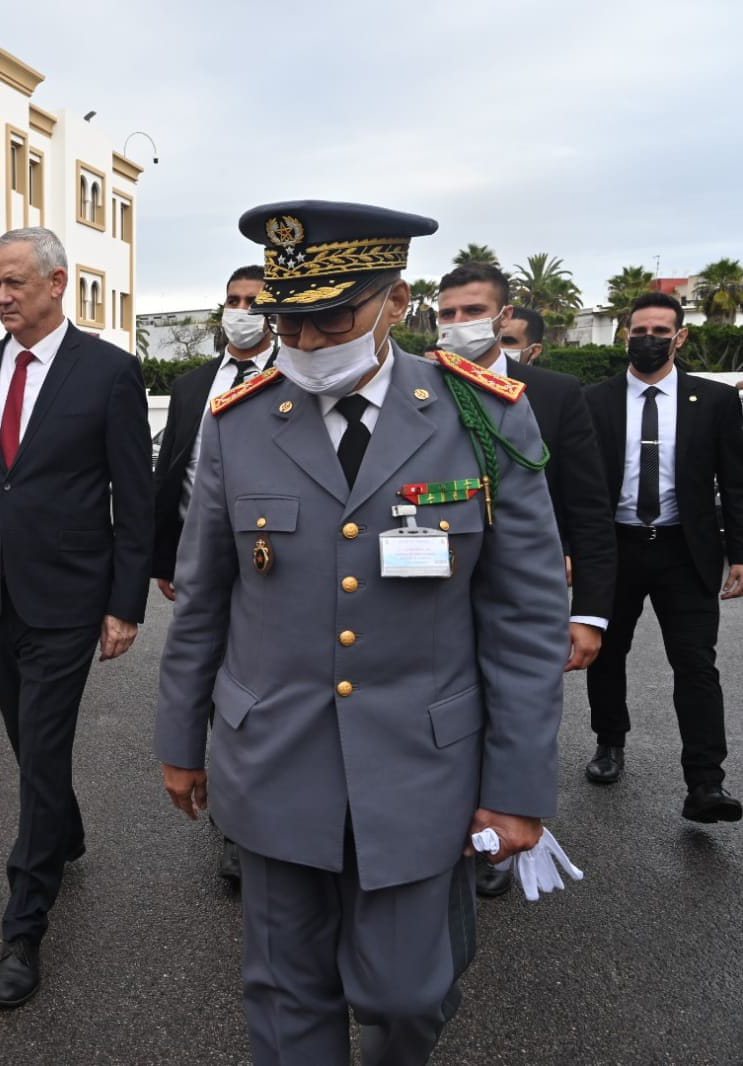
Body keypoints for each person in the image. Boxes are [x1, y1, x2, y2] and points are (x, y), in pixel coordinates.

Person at [156, 201, 566, 1065]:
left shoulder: (480, 416)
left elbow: (524, 618)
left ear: (396, 300)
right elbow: (201, 600)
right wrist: (178, 742)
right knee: (283, 992)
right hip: (271, 751)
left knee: (406, 996)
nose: (304, 344)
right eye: (287, 321)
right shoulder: (236, 422)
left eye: (329, 318)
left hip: (421, 763)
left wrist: (518, 788)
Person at [0, 226, 152, 1010]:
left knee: (42, 751)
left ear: (58, 283)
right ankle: (68, 831)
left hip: (68, 598)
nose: (2, 295)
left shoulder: (110, 374)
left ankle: (24, 924)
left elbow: (134, 497)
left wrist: (126, 603)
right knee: (28, 742)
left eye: (17, 281)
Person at [435, 266, 617, 899]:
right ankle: (468, 830)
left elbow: (590, 509)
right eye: (448, 313)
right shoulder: (427, 389)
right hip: (448, 591)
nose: (459, 325)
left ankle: (500, 832)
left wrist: (589, 612)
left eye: (473, 310)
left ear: (505, 314)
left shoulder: (557, 394)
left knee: (515, 707)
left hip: (531, 586)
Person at [582, 291, 743, 822]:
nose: (646, 339)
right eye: (638, 330)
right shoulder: (594, 400)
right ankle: (610, 742)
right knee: (606, 653)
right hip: (614, 548)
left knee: (696, 665)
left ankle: (706, 783)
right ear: (624, 334)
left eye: (658, 331)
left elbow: (735, 481)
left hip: (685, 550)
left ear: (680, 337)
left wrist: (739, 551)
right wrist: (569, 547)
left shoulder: (715, 402)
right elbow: (574, 483)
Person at [151, 264, 279, 888]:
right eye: (232, 300)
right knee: (210, 689)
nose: (241, 310)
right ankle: (231, 823)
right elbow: (171, 471)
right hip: (200, 562)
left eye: (253, 301)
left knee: (261, 690)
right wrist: (162, 558)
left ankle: (271, 812)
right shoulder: (193, 385)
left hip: (273, 567)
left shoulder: (290, 378)